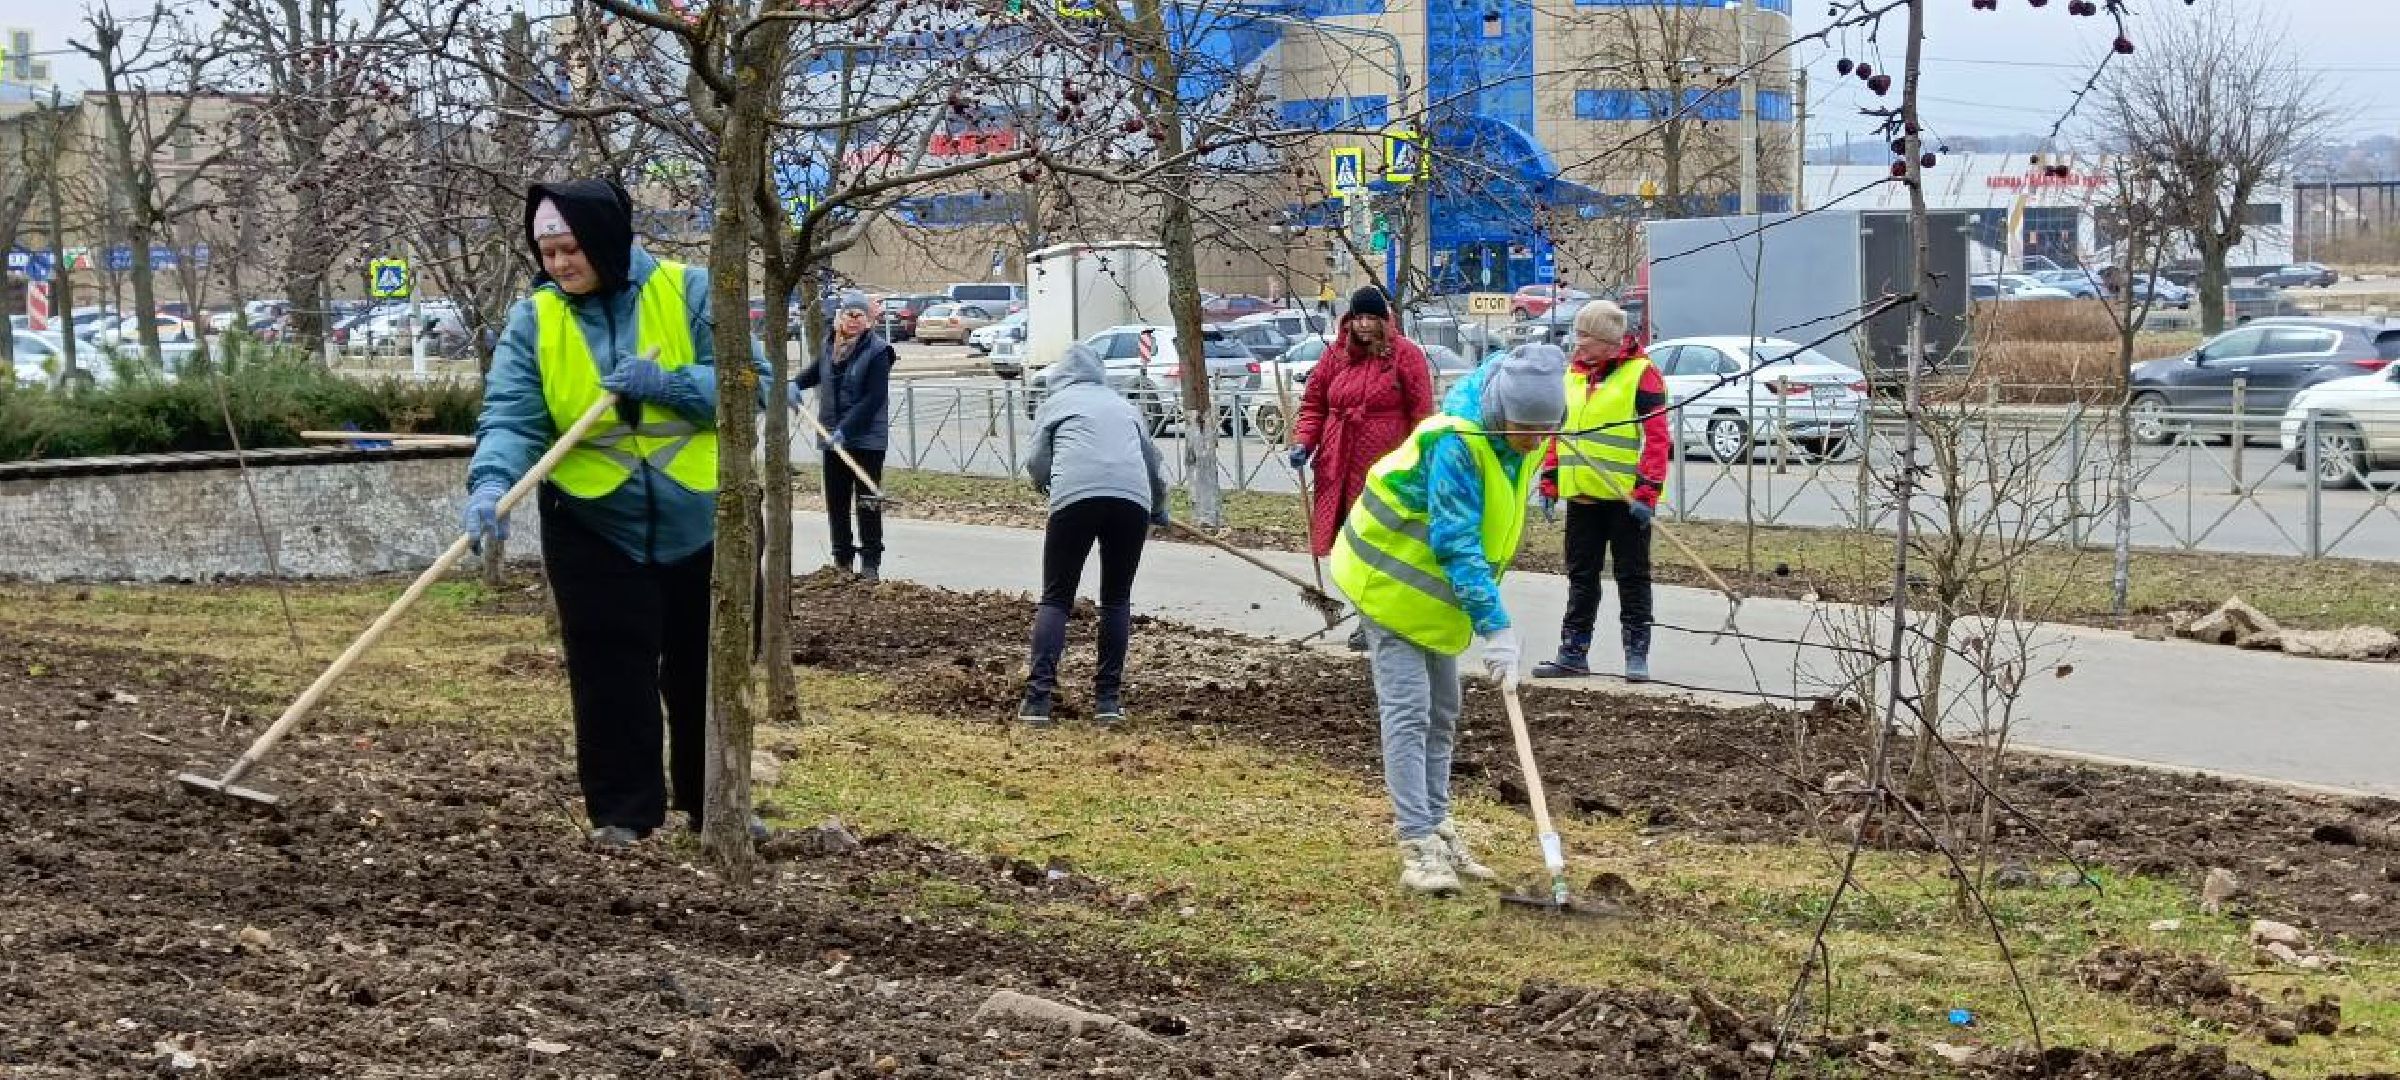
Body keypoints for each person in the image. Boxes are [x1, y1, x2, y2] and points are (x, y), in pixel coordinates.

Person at [463, 178, 751, 849]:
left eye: (571, 249)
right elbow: (511, 415)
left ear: (606, 240)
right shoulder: (536, 319)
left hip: (701, 516)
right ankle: (624, 813)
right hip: (592, 521)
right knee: (609, 671)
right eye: (548, 251)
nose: (560, 264)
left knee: (704, 670)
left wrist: (674, 385)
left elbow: (750, 383)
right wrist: (491, 482)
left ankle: (719, 807)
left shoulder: (691, 290)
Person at [1332, 344, 1568, 895]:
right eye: (1526, 429)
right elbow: (1457, 541)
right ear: (1501, 413)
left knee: (1443, 712)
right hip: (1388, 582)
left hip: (1434, 598)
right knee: (1409, 712)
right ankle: (1417, 847)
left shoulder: (1519, 432)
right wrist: (1496, 626)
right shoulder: (1457, 444)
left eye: (1545, 430)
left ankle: (1439, 827)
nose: (1536, 441)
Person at [1019, 343, 1172, 727]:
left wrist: (1047, 486)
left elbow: (1036, 462)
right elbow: (1152, 464)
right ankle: (1107, 701)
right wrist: (1158, 507)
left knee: (1056, 597)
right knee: (1116, 600)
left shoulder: (1054, 404)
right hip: (1131, 502)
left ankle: (1038, 701)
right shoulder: (1123, 405)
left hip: (1074, 498)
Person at [1289, 285, 1436, 651]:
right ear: (1349, 320)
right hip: (1337, 463)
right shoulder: (1335, 356)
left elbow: (1421, 415)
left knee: (1377, 544)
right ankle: (1363, 614)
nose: (1365, 325)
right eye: (1359, 318)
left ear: (1385, 321)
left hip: (1384, 465)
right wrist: (1303, 443)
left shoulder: (1406, 357)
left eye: (1372, 318)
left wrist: (1422, 460)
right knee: (1345, 545)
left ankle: (1377, 619)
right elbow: (1313, 406)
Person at [1532, 300, 1669, 683]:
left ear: (1610, 342)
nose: (1578, 344)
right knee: (1581, 578)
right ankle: (1573, 652)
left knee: (1632, 577)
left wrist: (1647, 494)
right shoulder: (1572, 375)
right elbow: (1561, 435)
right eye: (1577, 335)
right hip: (1582, 499)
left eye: (1586, 337)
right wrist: (1550, 481)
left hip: (1626, 503)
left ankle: (1636, 654)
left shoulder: (1642, 374)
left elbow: (1657, 440)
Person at [794, 291, 898, 580]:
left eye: (859, 316)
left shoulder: (878, 352)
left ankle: (870, 563)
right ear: (840, 317)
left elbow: (873, 399)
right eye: (848, 314)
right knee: (836, 501)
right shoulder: (831, 345)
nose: (852, 320)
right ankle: (841, 560)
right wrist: (795, 385)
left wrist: (846, 430)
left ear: (868, 321)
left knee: (867, 501)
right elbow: (815, 373)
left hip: (866, 440)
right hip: (832, 438)